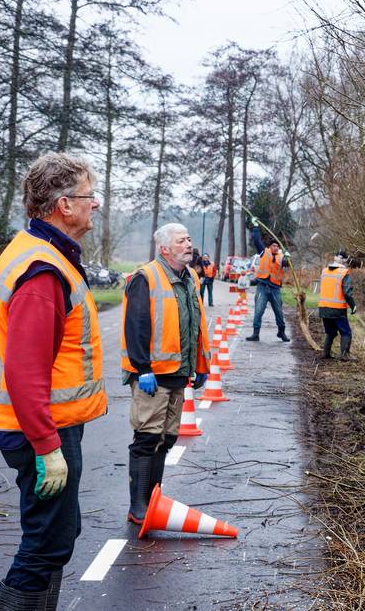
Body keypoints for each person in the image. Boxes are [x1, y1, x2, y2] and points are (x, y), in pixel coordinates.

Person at [0, 153, 106, 608]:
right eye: (90, 196)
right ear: (64, 205)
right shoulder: (43, 270)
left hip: (41, 424)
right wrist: (48, 447)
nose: (98, 204)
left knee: (58, 534)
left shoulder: (42, 252)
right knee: (45, 542)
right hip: (38, 429)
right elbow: (25, 369)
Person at [121, 223, 209, 525]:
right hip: (152, 377)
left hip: (178, 375)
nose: (188, 244)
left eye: (189, 238)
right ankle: (139, 506)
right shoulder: (145, 278)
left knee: (167, 438)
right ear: (164, 249)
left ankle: (154, 498)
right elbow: (135, 326)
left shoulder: (190, 277)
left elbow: (195, 325)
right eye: (181, 241)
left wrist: (201, 366)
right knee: (147, 437)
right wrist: (142, 368)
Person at [245, 219, 290, 342]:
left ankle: (281, 332)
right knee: (258, 311)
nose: (275, 247)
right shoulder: (263, 252)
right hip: (262, 287)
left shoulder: (282, 258)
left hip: (275, 289)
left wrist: (288, 259)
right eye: (273, 245)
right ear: (270, 247)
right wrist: (255, 227)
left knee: (279, 313)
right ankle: (255, 334)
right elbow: (256, 239)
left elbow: (287, 265)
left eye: (277, 246)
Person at [318, 251, 357, 360]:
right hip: (337, 309)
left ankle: (325, 353)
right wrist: (353, 306)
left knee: (330, 332)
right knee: (346, 332)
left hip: (323, 308)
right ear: (344, 260)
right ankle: (345, 355)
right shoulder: (344, 273)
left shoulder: (324, 271)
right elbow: (347, 293)